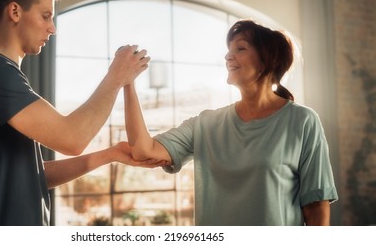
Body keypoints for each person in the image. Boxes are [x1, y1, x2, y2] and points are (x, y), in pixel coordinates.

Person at [0, 0, 156, 226]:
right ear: (14, 12)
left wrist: (109, 154)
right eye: (46, 16)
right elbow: (72, 139)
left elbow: (34, 175)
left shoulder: (3, 74)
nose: (52, 28)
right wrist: (116, 76)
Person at [124, 19, 339, 226]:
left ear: (267, 59)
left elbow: (316, 205)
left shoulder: (302, 121)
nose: (228, 56)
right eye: (229, 49)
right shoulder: (205, 124)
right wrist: (127, 83)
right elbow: (144, 150)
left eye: (240, 48)